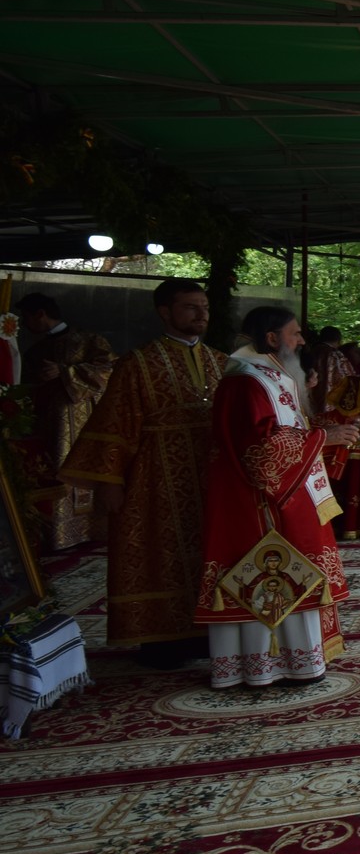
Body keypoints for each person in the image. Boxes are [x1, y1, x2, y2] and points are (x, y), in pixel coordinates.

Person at [60, 280, 225, 668]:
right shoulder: (138, 363)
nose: (201, 314)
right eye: (190, 307)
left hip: (213, 478)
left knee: (211, 551)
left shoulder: (222, 362)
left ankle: (211, 632)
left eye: (204, 306)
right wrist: (110, 482)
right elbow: (114, 424)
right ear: (165, 312)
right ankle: (160, 641)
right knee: (156, 554)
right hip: (152, 479)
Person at [195, 306, 360, 688]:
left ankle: (298, 661)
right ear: (271, 338)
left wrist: (321, 430)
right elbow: (259, 451)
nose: (302, 340)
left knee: (298, 570)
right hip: (261, 504)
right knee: (274, 573)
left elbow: (286, 429)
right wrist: (322, 438)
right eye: (295, 333)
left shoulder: (270, 376)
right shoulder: (245, 382)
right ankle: (263, 666)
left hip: (288, 493)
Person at [16, 290, 115, 550]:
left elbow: (110, 371)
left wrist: (64, 372)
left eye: (27, 318)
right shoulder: (35, 350)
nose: (26, 325)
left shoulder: (89, 340)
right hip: (47, 423)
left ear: (40, 314)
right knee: (53, 470)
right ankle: (56, 534)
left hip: (83, 421)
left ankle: (91, 528)